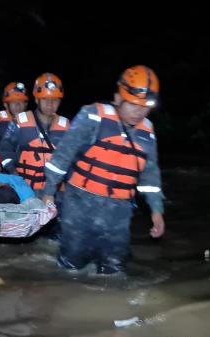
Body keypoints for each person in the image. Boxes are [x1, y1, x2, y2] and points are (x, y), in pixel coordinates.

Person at [41, 65, 165, 275]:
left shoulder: (147, 132)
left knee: (114, 270)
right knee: (71, 268)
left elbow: (150, 176)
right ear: (118, 98)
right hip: (80, 206)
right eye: (134, 105)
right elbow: (62, 156)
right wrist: (48, 193)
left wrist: (157, 211)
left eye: (145, 107)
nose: (139, 112)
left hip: (119, 213)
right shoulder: (92, 117)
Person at [0, 73, 70, 194]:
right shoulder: (20, 121)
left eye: (55, 100)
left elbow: (71, 160)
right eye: (45, 99)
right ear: (36, 99)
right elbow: (5, 149)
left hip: (55, 193)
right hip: (25, 191)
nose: (50, 104)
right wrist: (15, 175)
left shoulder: (66, 126)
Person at [0, 82, 29, 167]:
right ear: (6, 104)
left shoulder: (30, 123)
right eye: (13, 102)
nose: (18, 105)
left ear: (26, 104)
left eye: (21, 102)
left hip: (22, 170)